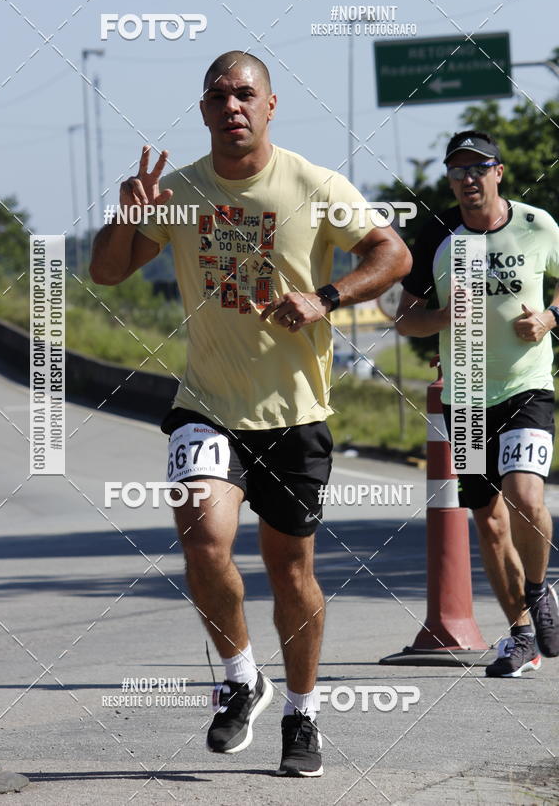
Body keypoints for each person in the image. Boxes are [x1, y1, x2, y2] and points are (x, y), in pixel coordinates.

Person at [90, 51, 411, 775]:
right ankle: (240, 678)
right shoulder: (176, 193)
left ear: (270, 106)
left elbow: (392, 253)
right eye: (218, 96)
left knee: (291, 572)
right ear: (203, 111)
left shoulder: (313, 185)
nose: (232, 106)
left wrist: (326, 297)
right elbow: (107, 272)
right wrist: (125, 217)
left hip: (295, 413)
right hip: (205, 406)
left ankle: (301, 712)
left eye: (245, 94)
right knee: (204, 539)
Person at [396, 130, 559, 678]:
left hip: (526, 385)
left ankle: (538, 590)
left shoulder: (536, 225)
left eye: (478, 168)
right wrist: (445, 316)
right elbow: (405, 318)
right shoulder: (438, 234)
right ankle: (521, 638)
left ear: (499, 172)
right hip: (465, 396)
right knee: (489, 523)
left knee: (524, 496)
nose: (468, 179)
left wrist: (549, 318)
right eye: (457, 170)